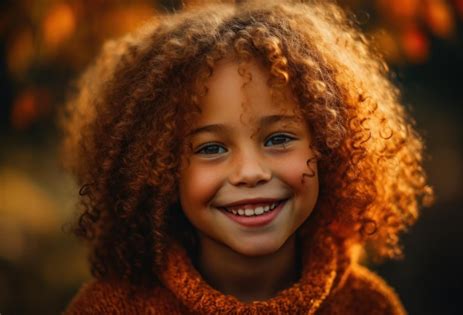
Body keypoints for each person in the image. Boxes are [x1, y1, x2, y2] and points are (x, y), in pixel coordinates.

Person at [61, 0, 432, 314]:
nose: (250, 172)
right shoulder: (113, 307)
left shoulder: (365, 305)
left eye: (279, 139)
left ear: (329, 147)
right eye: (211, 148)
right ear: (157, 169)